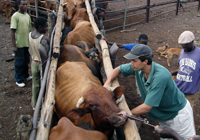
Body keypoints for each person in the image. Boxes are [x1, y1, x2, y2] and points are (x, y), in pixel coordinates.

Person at [103, 44, 196, 140]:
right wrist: (107, 83)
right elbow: (118, 69)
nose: (131, 63)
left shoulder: (160, 76)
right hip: (164, 114)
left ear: (145, 61)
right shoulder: (139, 68)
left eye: (134, 60)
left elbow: (147, 107)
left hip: (178, 116)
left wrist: (126, 114)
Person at [172, 31, 200, 108]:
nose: (184, 46)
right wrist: (172, 73)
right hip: (177, 89)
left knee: (187, 116)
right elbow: (182, 69)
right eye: (182, 44)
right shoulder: (182, 53)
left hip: (189, 94)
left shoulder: (199, 54)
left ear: (192, 41)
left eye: (186, 44)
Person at [29, 16, 50, 109]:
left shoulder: (30, 35)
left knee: (35, 84)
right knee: (44, 84)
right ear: (40, 27)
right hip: (42, 64)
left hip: (34, 62)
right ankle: (43, 103)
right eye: (45, 27)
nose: (47, 29)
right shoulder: (44, 39)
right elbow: (47, 54)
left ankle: (34, 104)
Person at [10, 0, 32, 87]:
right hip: (19, 43)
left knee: (26, 60)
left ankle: (25, 75)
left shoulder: (27, 16)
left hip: (26, 43)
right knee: (19, 62)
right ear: (19, 5)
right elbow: (12, 31)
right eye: (23, 4)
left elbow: (29, 29)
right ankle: (19, 79)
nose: (25, 6)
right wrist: (14, 45)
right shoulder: (15, 16)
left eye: (26, 4)